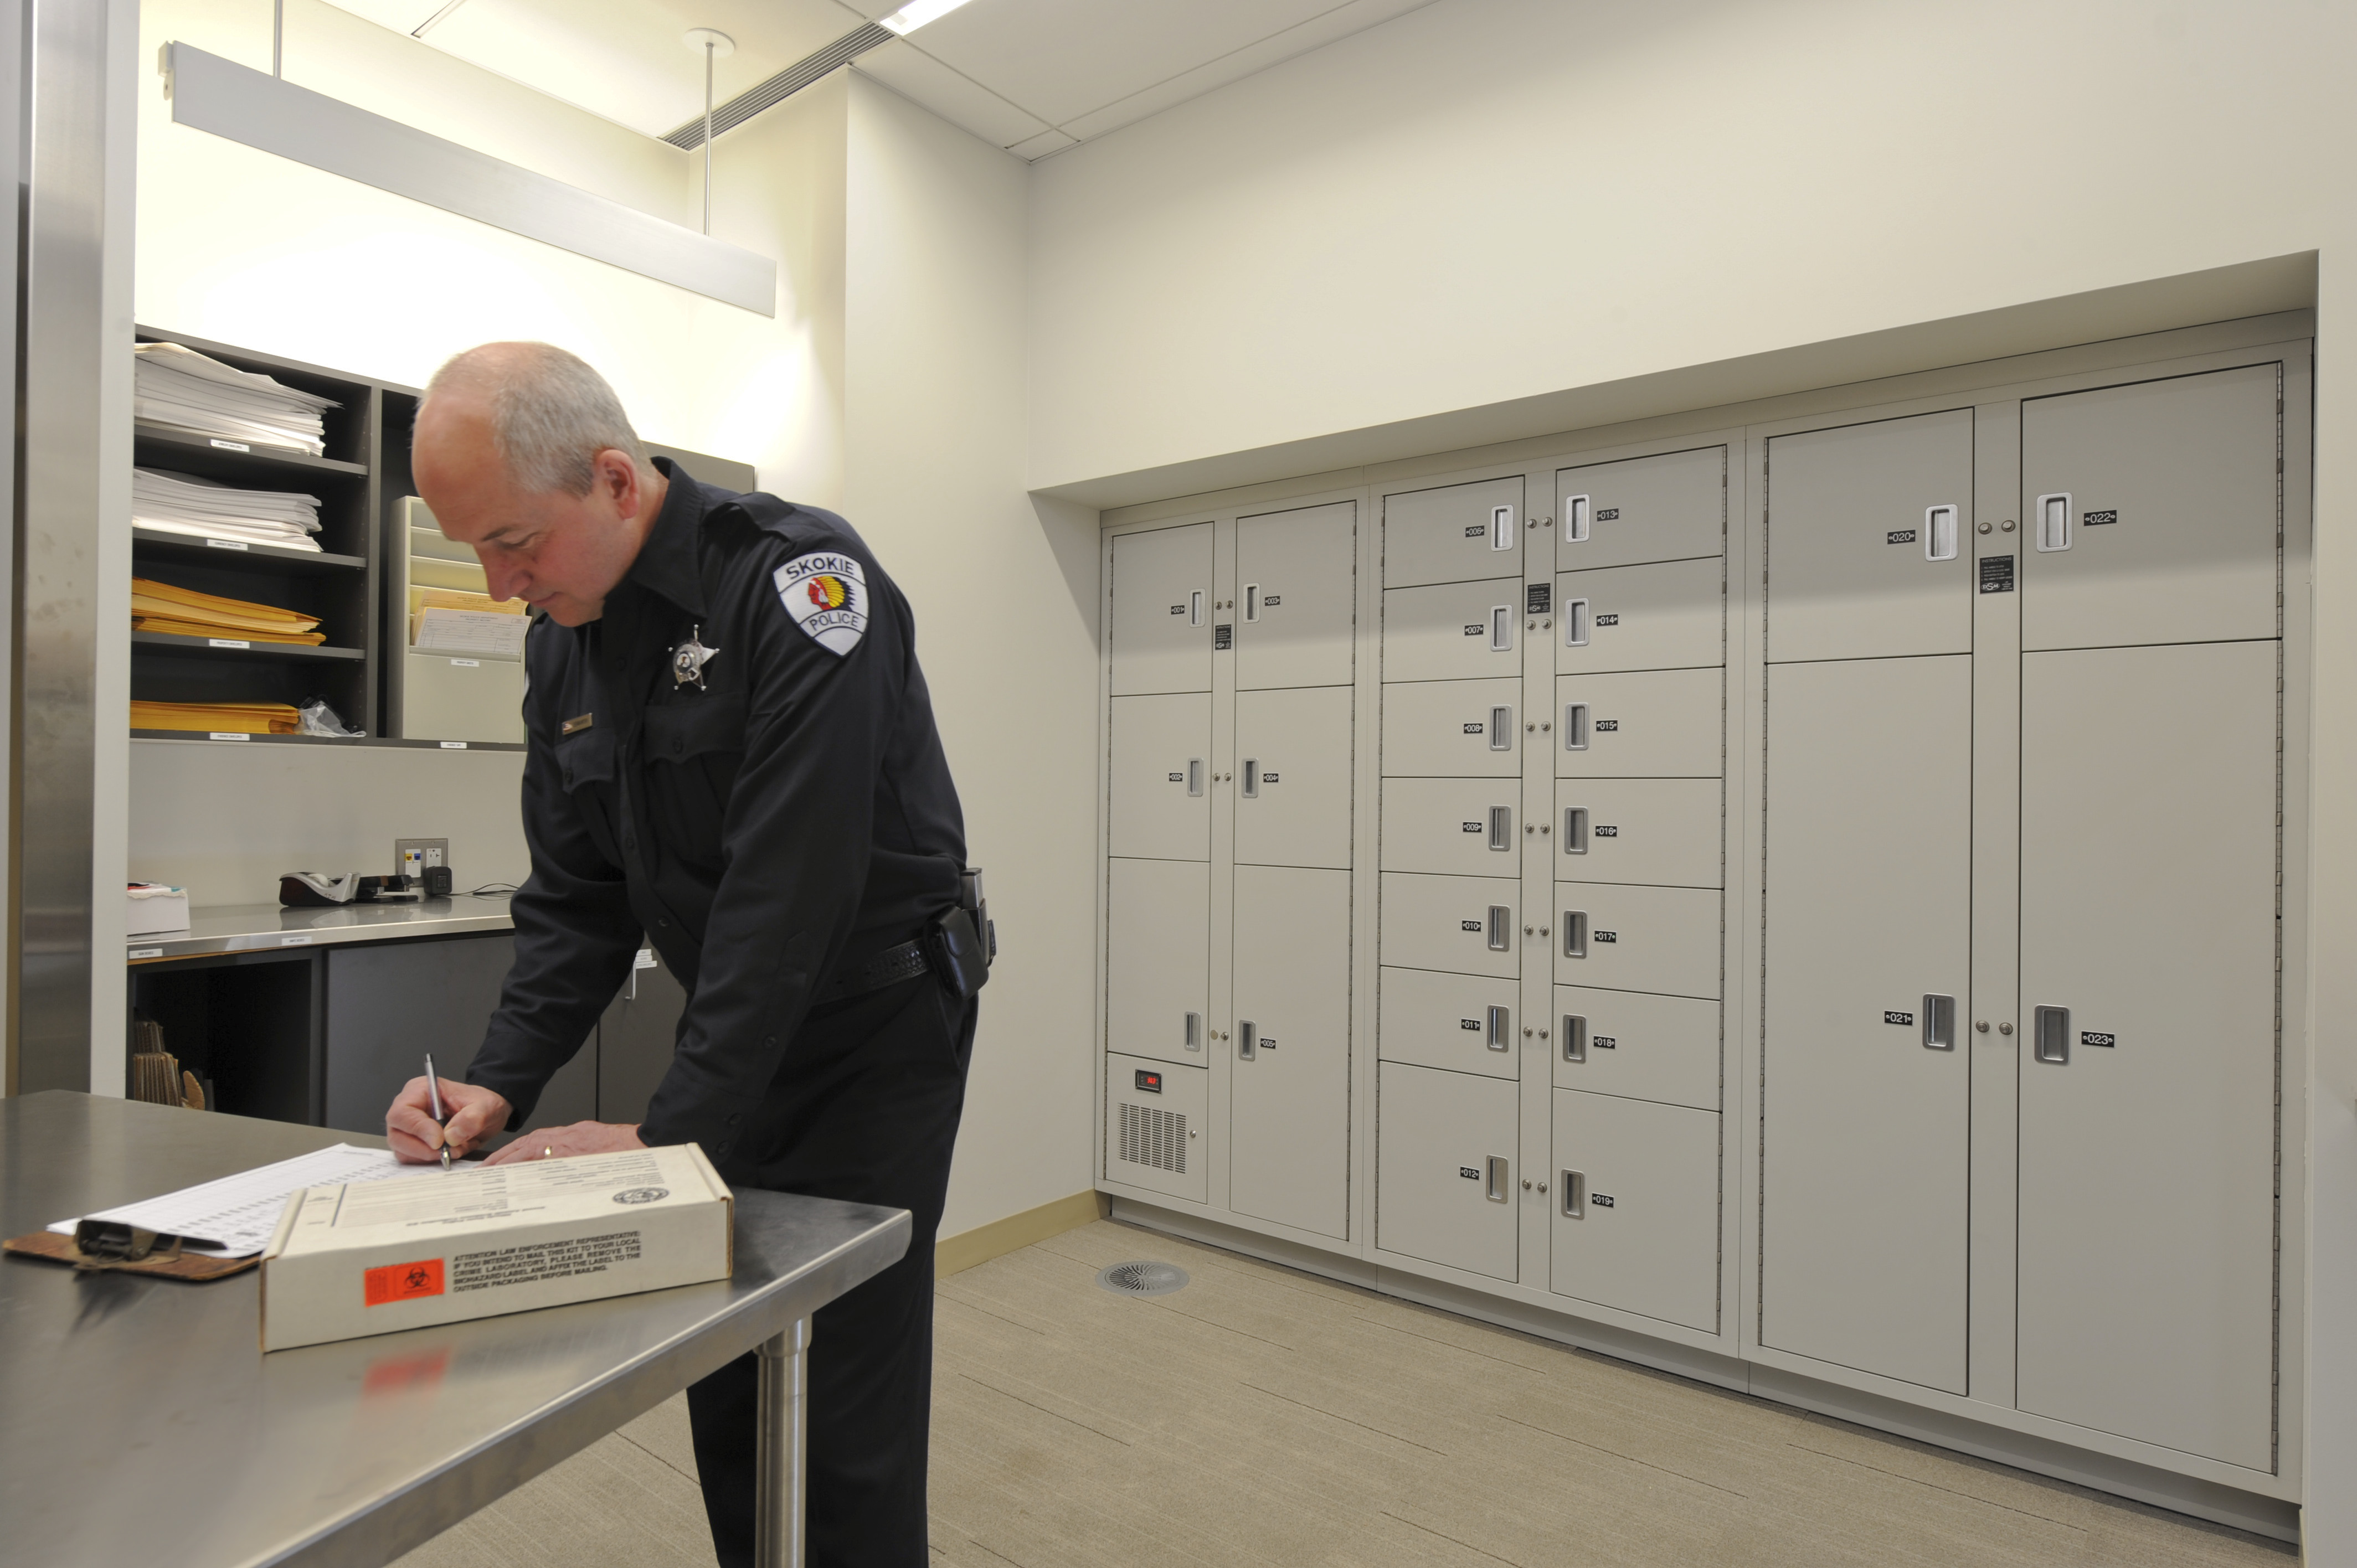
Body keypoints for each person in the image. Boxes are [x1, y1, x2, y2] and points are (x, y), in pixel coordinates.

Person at [380, 342, 982, 1568]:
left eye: (514, 542)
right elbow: (578, 898)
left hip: (870, 1031)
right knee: (726, 1360)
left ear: (613, 479)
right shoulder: (565, 637)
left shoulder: (798, 583)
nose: (499, 584)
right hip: (735, 1026)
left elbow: (790, 892)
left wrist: (672, 1136)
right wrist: (499, 1080)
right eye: (474, 550)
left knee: (841, 1386)